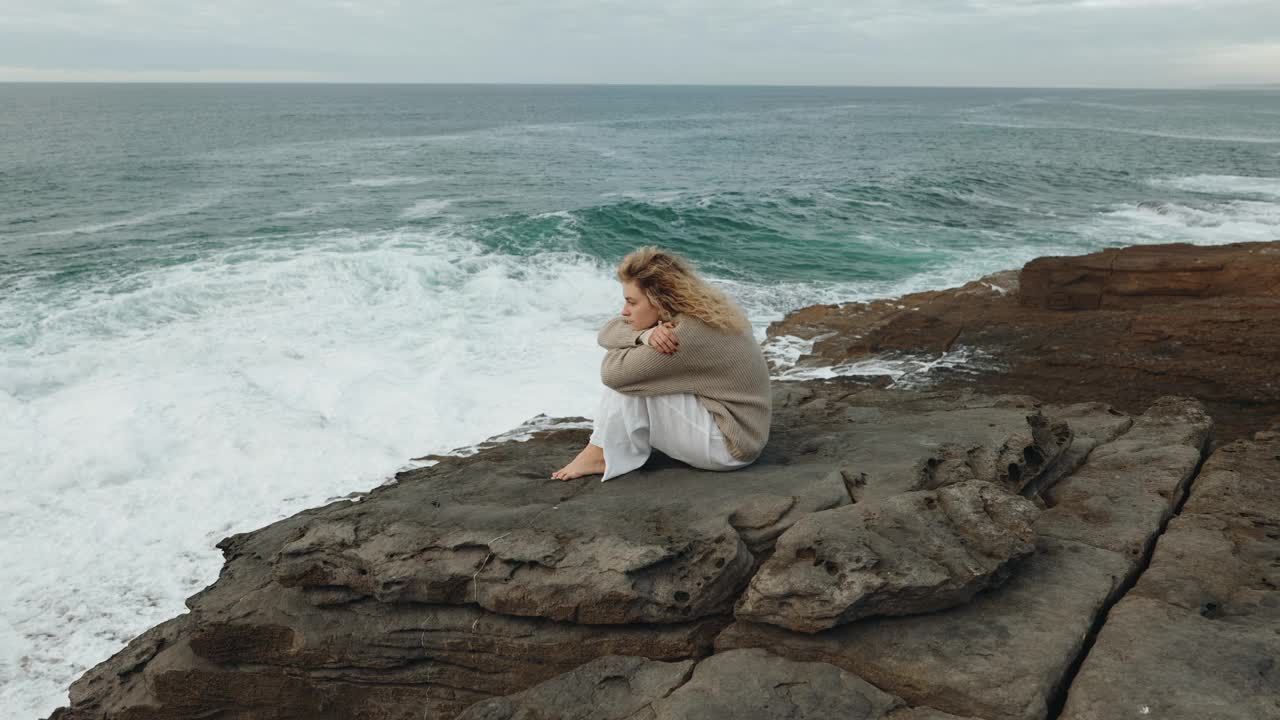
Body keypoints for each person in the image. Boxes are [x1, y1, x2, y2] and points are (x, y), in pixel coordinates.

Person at [552, 247, 772, 481]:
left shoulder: (682, 334)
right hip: (743, 432)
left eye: (631, 302)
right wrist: (643, 336)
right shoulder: (699, 313)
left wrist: (638, 340)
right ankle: (600, 451)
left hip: (729, 447)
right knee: (636, 373)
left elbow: (612, 374)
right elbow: (607, 332)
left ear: (659, 300)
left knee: (630, 384)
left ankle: (600, 454)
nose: (624, 311)